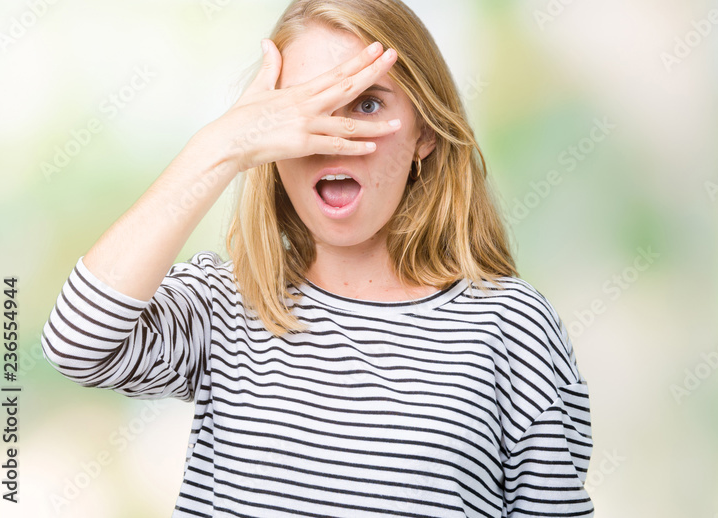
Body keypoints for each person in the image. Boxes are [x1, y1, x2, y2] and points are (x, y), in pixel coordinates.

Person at [40, 0, 593, 516]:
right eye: (302, 111)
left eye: (368, 103)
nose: (333, 139)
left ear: (424, 132)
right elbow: (75, 343)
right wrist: (223, 146)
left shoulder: (510, 329)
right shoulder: (226, 303)